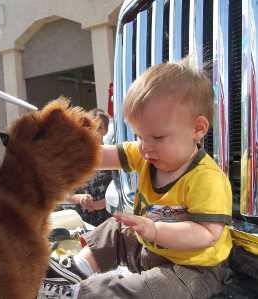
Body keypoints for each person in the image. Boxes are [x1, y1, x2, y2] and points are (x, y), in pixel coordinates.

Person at [38, 56, 233, 299]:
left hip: (192, 269)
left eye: (157, 137)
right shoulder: (146, 154)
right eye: (140, 136)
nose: (144, 147)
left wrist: (156, 230)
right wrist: (66, 154)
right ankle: (78, 268)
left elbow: (207, 234)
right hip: (151, 248)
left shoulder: (207, 178)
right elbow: (103, 157)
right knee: (118, 227)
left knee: (142, 290)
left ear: (198, 129)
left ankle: (79, 294)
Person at [56, 108, 112, 227]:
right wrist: (79, 198)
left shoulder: (114, 156)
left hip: (107, 220)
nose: (95, 132)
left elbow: (120, 189)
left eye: (100, 128)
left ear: (106, 131)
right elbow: (64, 191)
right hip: (81, 221)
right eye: (91, 127)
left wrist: (100, 204)